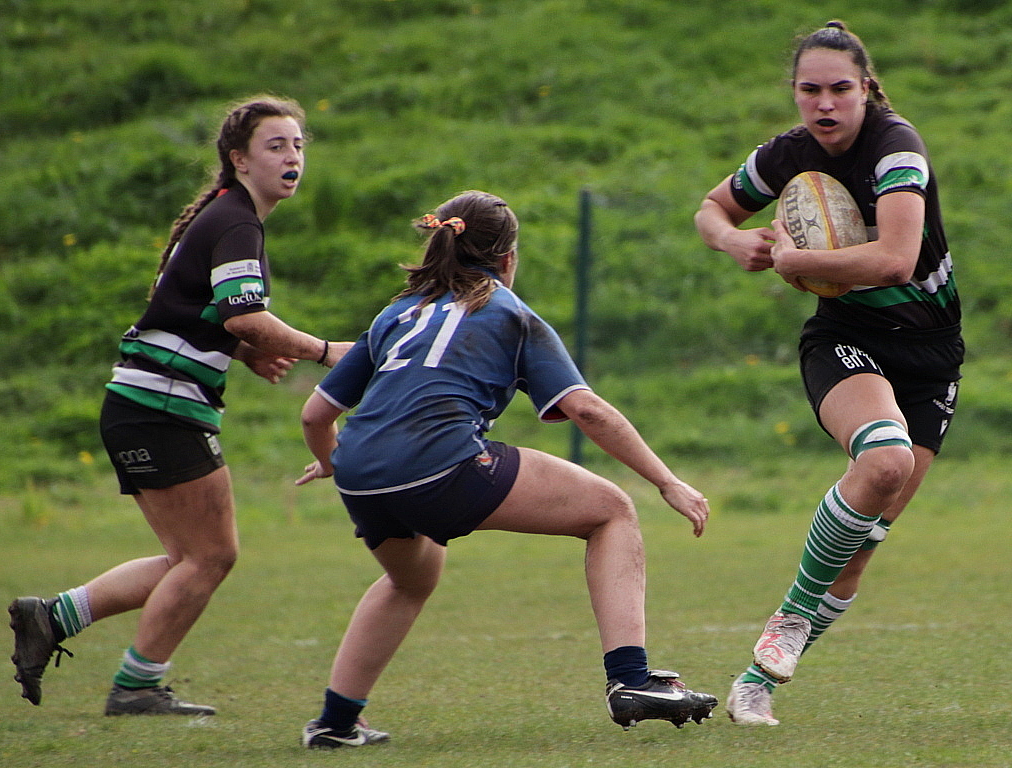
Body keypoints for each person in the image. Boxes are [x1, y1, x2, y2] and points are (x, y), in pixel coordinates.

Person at [293, 190, 718, 748]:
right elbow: (586, 409)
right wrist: (667, 480)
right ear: (508, 258)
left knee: (411, 578)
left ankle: (335, 723)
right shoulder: (508, 311)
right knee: (612, 511)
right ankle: (632, 679)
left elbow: (315, 414)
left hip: (361, 476)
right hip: (442, 465)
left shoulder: (396, 312)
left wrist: (333, 463)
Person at [9, 95, 352, 716]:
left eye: (298, 144)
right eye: (275, 146)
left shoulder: (229, 216)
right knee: (211, 556)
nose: (292, 156)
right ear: (238, 160)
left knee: (189, 558)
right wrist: (327, 351)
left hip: (146, 405)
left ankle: (52, 617)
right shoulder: (237, 221)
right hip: (159, 409)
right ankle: (137, 687)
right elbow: (243, 312)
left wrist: (243, 352)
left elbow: (199, 309)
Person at [694, 20, 963, 726]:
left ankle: (757, 680)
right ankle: (786, 619)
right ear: (794, 93)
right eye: (809, 89)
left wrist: (796, 261)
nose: (824, 104)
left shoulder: (895, 148)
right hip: (846, 340)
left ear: (866, 90)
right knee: (882, 464)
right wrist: (732, 241)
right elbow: (712, 206)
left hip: (931, 355)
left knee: (858, 552)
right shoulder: (786, 155)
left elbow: (895, 260)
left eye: (839, 89)